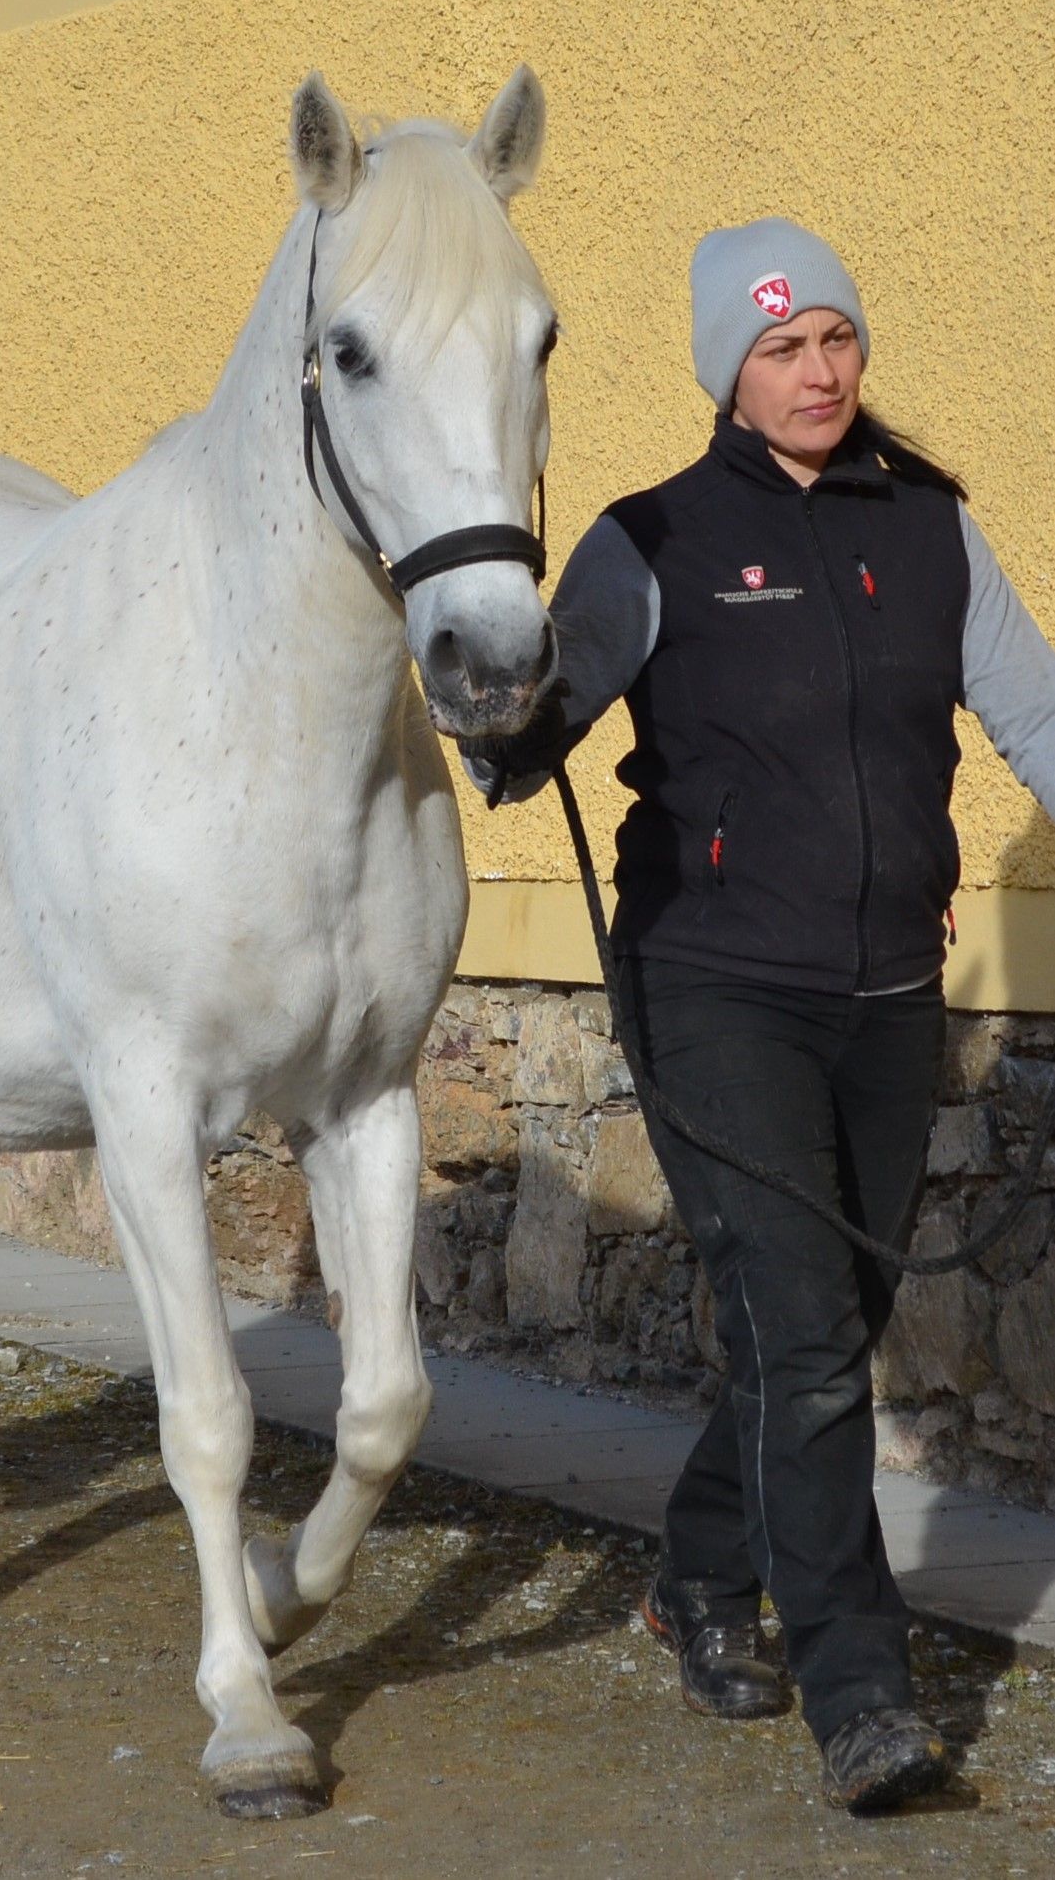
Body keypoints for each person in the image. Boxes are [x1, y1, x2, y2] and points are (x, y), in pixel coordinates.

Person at [462, 218, 1055, 1814]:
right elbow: (539, 718)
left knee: (831, 1329)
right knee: (803, 1350)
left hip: (882, 990)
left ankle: (699, 1580)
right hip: (714, 985)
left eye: (835, 340)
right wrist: (503, 716)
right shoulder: (648, 536)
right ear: (726, 369)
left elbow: (1034, 708)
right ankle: (859, 1695)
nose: (817, 371)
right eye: (783, 347)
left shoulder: (925, 529)